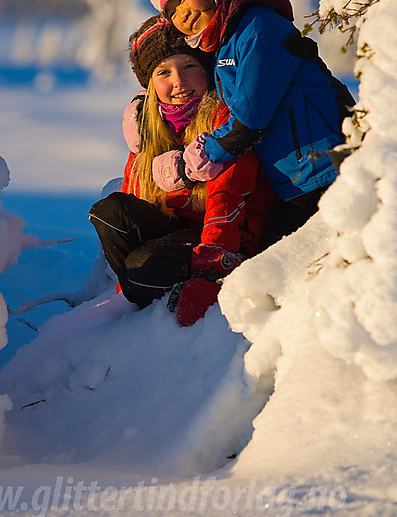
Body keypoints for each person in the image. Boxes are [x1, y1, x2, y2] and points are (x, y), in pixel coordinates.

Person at [145, 0, 355, 245]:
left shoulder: (257, 27)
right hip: (295, 180)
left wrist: (195, 163)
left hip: (325, 167)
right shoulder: (226, 40)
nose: (182, 14)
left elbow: (250, 117)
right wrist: (142, 108)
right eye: (171, 11)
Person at [89, 17, 275, 327]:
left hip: (228, 237)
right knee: (109, 212)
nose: (179, 81)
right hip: (179, 232)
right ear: (150, 85)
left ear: (206, 70)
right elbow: (135, 194)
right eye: (164, 72)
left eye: (189, 66)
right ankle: (139, 289)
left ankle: (148, 286)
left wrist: (212, 264)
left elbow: (227, 194)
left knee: (141, 266)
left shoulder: (226, 119)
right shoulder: (148, 127)